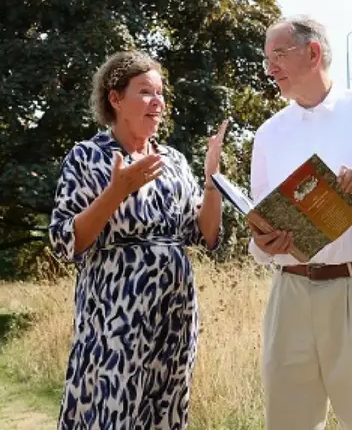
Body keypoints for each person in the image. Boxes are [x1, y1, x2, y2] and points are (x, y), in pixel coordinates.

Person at [247, 15, 352, 430]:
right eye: (267, 59)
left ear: (313, 52)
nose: (270, 68)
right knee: (287, 422)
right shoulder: (268, 134)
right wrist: (264, 245)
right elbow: (257, 231)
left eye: (278, 56)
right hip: (289, 293)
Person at [48, 50, 226, 430]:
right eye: (145, 92)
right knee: (114, 407)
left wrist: (212, 180)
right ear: (115, 99)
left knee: (168, 404)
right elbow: (65, 241)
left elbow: (204, 234)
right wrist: (118, 190)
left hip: (175, 312)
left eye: (160, 93)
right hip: (116, 313)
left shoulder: (175, 160)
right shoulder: (86, 157)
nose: (158, 102)